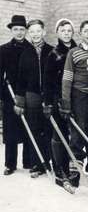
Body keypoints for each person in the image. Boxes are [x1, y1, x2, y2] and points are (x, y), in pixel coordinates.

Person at [61, 20, 88, 187]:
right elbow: (67, 79)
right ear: (80, 34)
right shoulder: (73, 52)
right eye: (86, 31)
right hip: (80, 96)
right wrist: (66, 101)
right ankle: (75, 172)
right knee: (79, 133)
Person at [14, 19, 54, 178]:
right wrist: (20, 101)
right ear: (28, 34)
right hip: (32, 95)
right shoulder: (25, 53)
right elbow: (20, 79)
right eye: (32, 32)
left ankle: (51, 162)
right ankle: (38, 163)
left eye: (38, 31)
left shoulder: (52, 50)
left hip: (48, 94)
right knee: (34, 129)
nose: (35, 35)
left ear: (43, 32)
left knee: (49, 129)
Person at [43, 18, 77, 190]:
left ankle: (75, 168)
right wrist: (48, 103)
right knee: (60, 134)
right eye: (63, 31)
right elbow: (47, 81)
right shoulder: (54, 54)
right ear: (58, 33)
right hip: (58, 99)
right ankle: (60, 168)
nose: (66, 33)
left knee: (76, 135)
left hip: (77, 97)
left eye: (69, 30)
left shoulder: (78, 51)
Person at [0, 15, 31, 175]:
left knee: (28, 129)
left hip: (27, 94)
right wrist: (3, 91)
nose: (19, 32)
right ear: (11, 31)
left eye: (21, 29)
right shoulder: (3, 50)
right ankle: (10, 164)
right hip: (9, 95)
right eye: (15, 29)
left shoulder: (31, 49)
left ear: (26, 30)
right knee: (11, 130)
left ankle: (28, 162)